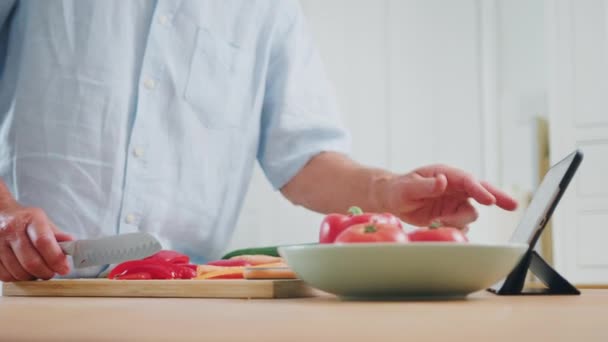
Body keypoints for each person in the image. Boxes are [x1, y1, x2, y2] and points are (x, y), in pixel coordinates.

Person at [0, 1, 517, 282]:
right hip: (20, 293)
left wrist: (387, 193)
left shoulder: (271, 10)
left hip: (182, 304)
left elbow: (304, 160)